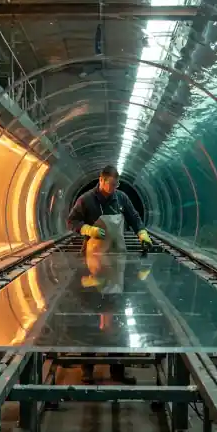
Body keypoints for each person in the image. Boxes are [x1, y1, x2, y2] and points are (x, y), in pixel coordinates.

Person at [67, 165, 152, 384]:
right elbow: (72, 221)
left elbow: (133, 217)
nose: (114, 189)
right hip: (93, 261)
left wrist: (142, 232)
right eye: (111, 184)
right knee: (93, 317)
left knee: (117, 319)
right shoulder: (87, 200)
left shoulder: (121, 198)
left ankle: (118, 369)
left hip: (117, 262)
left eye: (117, 185)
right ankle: (88, 368)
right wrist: (88, 229)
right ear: (101, 181)